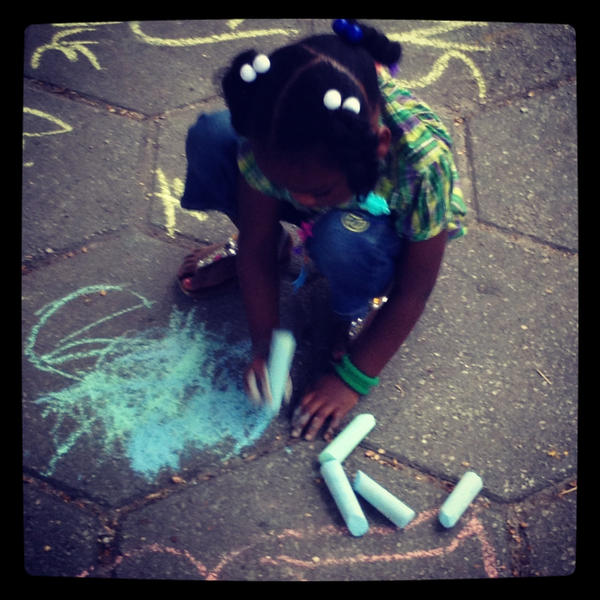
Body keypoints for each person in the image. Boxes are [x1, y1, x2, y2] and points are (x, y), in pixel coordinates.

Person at [177, 19, 467, 441]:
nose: (297, 200)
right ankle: (286, 247)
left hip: (374, 229)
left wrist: (352, 380)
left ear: (379, 145)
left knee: (342, 237)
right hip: (330, 176)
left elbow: (414, 290)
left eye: (315, 191)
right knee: (212, 136)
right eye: (284, 185)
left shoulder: (421, 162)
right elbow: (256, 242)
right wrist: (264, 347)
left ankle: (353, 306)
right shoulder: (272, 131)